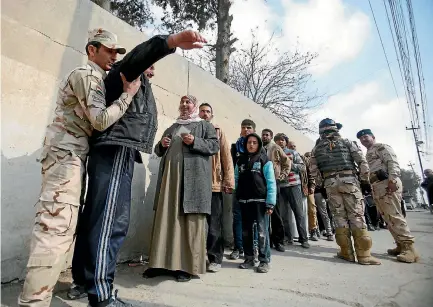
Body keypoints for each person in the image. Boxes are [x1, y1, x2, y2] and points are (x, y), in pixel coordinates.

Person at [67, 30, 208, 306]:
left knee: (98, 218)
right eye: (149, 60)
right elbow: (138, 57)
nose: (151, 65)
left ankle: (85, 281)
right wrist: (170, 43)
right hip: (116, 147)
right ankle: (102, 294)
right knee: (111, 222)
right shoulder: (127, 74)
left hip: (119, 150)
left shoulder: (138, 82)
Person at [18, 28, 144, 307]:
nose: (114, 56)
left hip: (72, 157)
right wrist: (127, 95)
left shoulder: (96, 77)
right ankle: (32, 302)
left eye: (116, 52)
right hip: (65, 157)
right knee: (54, 229)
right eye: (108, 50)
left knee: (62, 230)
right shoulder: (86, 75)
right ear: (92, 50)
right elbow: (99, 120)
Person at [143, 95, 219, 282]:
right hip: (170, 181)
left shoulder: (204, 126)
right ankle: (160, 263)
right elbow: (158, 150)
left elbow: (214, 146)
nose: (185, 105)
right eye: (182, 102)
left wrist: (195, 141)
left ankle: (185, 267)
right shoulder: (173, 127)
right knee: (166, 220)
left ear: (194, 106)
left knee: (189, 222)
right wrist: (161, 145)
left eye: (189, 102)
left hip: (192, 182)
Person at [310, 119, 381, 265]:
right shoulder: (347, 142)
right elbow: (362, 162)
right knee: (356, 216)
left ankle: (346, 253)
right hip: (349, 180)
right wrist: (365, 181)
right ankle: (364, 256)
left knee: (339, 218)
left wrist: (322, 185)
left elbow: (313, 170)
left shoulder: (316, 149)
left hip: (330, 184)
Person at [357, 129, 419, 263]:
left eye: (365, 136)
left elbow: (392, 162)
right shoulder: (368, 153)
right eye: (361, 138)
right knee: (387, 218)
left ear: (373, 136)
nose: (363, 139)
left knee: (395, 215)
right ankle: (400, 245)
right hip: (377, 187)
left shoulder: (382, 147)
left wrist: (393, 180)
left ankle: (410, 249)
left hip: (387, 184)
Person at [198, 103, 235, 272]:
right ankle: (197, 258)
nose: (204, 114)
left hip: (214, 185)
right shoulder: (194, 128)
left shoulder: (218, 131)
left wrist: (229, 182)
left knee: (214, 224)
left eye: (207, 111)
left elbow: (227, 157)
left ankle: (215, 258)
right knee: (197, 223)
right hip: (196, 184)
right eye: (202, 111)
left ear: (212, 115)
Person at [235, 133, 277, 273]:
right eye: (249, 142)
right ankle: (249, 258)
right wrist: (237, 194)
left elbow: (271, 183)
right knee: (246, 232)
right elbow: (236, 179)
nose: (251, 145)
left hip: (260, 202)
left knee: (261, 232)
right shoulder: (240, 160)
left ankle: (264, 260)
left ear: (258, 144)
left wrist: (270, 203)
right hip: (244, 202)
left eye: (254, 142)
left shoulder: (264, 160)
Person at [274, 134, 309, 248]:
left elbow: (302, 167)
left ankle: (303, 239)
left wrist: (289, 164)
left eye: (282, 140)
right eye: (278, 140)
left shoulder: (292, 153)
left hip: (294, 186)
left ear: (286, 142)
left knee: (299, 213)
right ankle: (287, 238)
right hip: (281, 187)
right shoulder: (274, 154)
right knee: (283, 215)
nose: (280, 142)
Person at [229, 119, 256, 260]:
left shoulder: (258, 148)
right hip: (238, 189)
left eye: (249, 127)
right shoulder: (235, 147)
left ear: (254, 131)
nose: (246, 130)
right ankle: (238, 248)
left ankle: (253, 250)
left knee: (253, 221)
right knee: (237, 218)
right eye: (243, 127)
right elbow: (230, 166)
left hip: (255, 191)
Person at [261, 129, 291, 252]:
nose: (264, 137)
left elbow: (287, 162)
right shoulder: (259, 147)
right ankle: (266, 240)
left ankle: (279, 241)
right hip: (262, 183)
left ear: (271, 136)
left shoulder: (275, 148)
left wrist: (282, 176)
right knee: (264, 211)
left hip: (274, 182)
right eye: (263, 135)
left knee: (276, 212)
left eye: (267, 135)